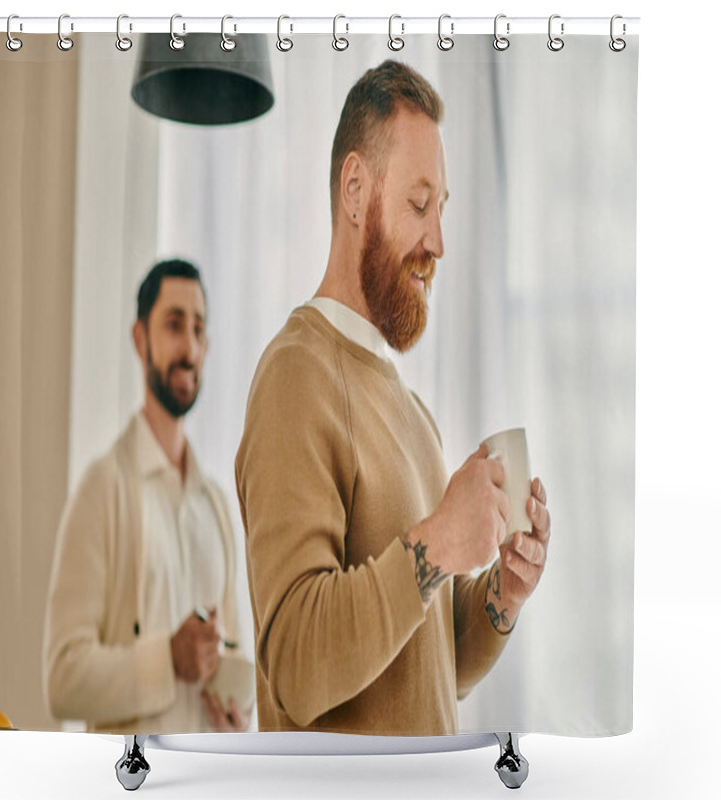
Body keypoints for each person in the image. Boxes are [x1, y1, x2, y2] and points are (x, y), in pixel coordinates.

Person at [235, 61, 551, 736]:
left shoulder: (414, 416)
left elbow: (427, 663)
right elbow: (294, 665)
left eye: (441, 209)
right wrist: (436, 543)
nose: (437, 242)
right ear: (355, 191)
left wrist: (501, 594)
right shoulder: (296, 376)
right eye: (418, 204)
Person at [43, 259, 251, 734]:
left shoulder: (218, 506)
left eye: (199, 329)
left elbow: (233, 661)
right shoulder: (101, 491)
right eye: (174, 325)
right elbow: (61, 680)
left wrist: (238, 716)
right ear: (141, 339)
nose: (190, 347)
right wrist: (167, 660)